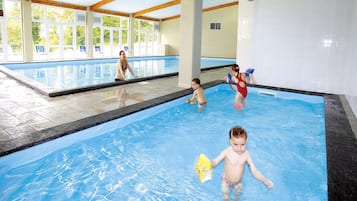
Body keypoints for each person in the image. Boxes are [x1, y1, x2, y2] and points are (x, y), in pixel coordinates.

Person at [211, 126, 273, 200]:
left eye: (243, 144)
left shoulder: (246, 155)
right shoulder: (227, 152)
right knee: (226, 198)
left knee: (237, 198)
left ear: (246, 141)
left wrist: (265, 181)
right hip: (226, 181)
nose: (239, 148)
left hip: (238, 183)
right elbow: (215, 161)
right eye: (236, 144)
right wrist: (209, 163)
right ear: (230, 142)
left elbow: (255, 171)